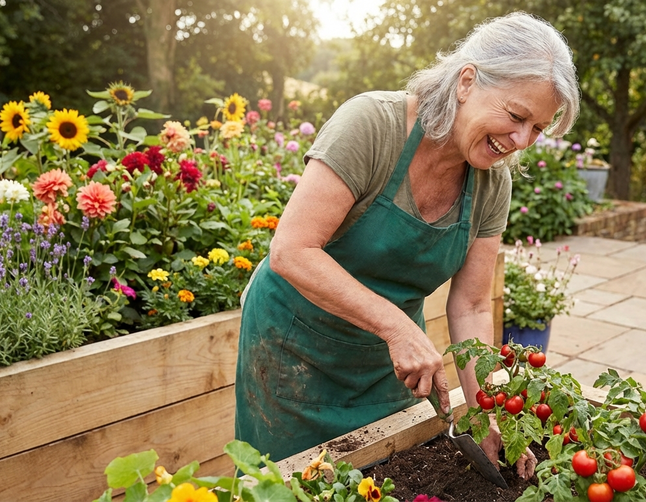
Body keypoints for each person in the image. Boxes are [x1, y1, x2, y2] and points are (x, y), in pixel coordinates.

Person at [235, 11, 579, 477]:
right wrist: (397, 328)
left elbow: (473, 304)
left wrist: (485, 410)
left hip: (387, 368)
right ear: (466, 82)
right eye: (516, 115)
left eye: (538, 128)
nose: (521, 140)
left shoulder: (492, 184)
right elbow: (292, 251)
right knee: (287, 484)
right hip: (295, 354)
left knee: (380, 479)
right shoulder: (373, 126)